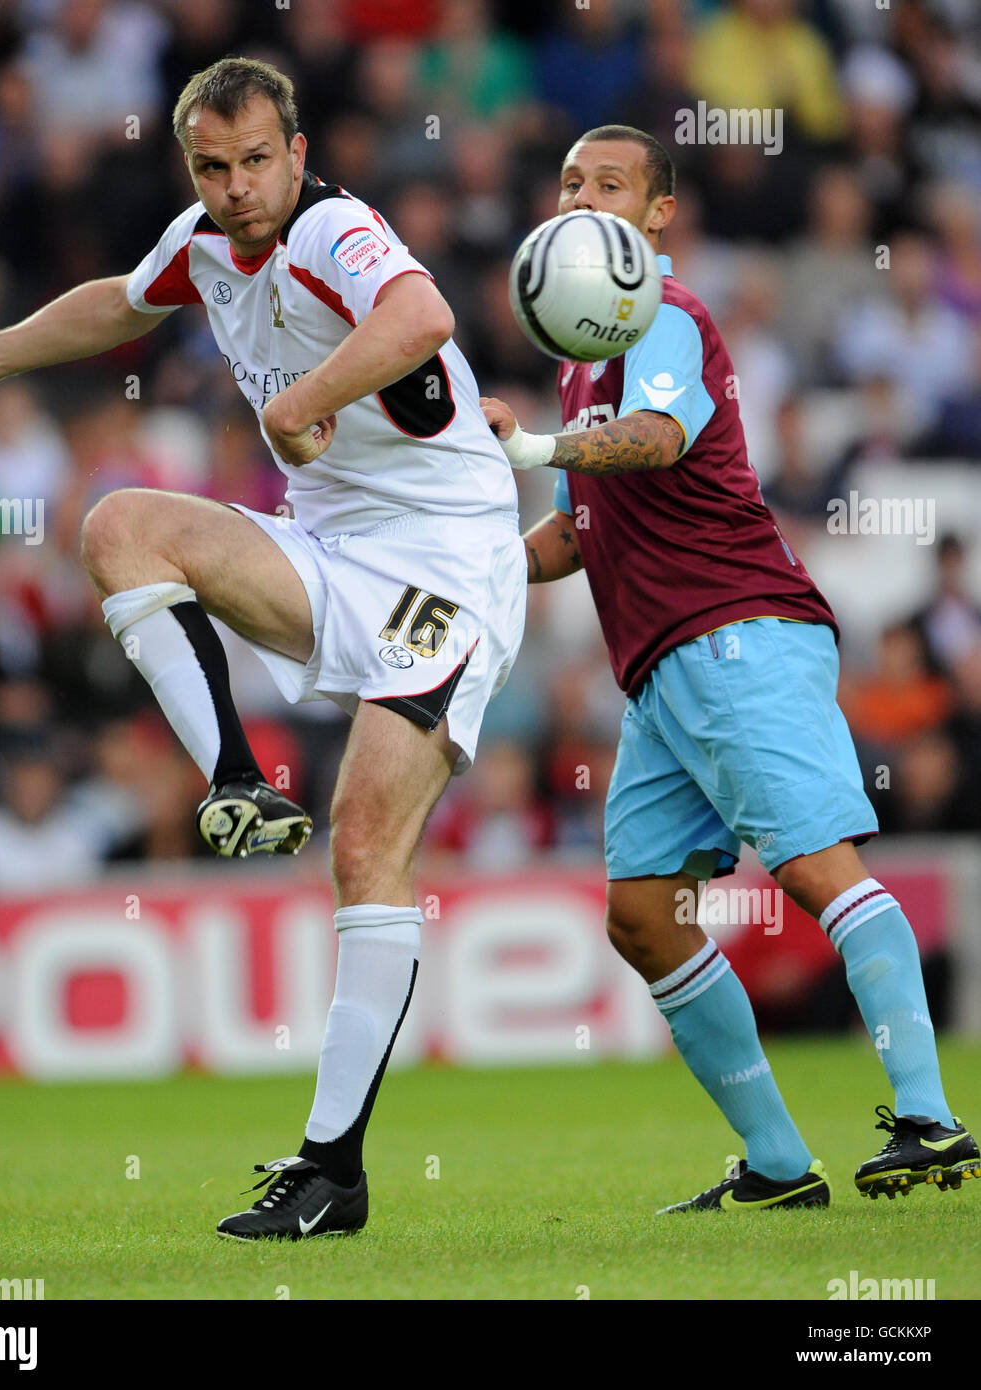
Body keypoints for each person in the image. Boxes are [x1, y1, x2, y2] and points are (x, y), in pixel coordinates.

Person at [0, 57, 526, 1239]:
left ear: (298, 153)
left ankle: (332, 1167)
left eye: (257, 161)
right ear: (189, 165)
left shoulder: (336, 228)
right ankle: (237, 778)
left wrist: (301, 405)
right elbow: (121, 299)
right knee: (120, 524)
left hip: (445, 568)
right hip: (332, 545)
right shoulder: (206, 240)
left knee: (363, 847)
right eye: (213, 167)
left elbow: (423, 315)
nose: (238, 187)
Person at [481, 124, 979, 1211]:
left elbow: (657, 439)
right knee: (642, 911)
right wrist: (472, 570)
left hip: (736, 625)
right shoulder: (578, 361)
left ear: (660, 214)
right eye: (569, 181)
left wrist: (528, 453)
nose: (581, 197)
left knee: (811, 865)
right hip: (663, 669)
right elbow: (580, 529)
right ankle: (778, 1164)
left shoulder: (664, 313)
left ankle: (930, 1117)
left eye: (610, 184)